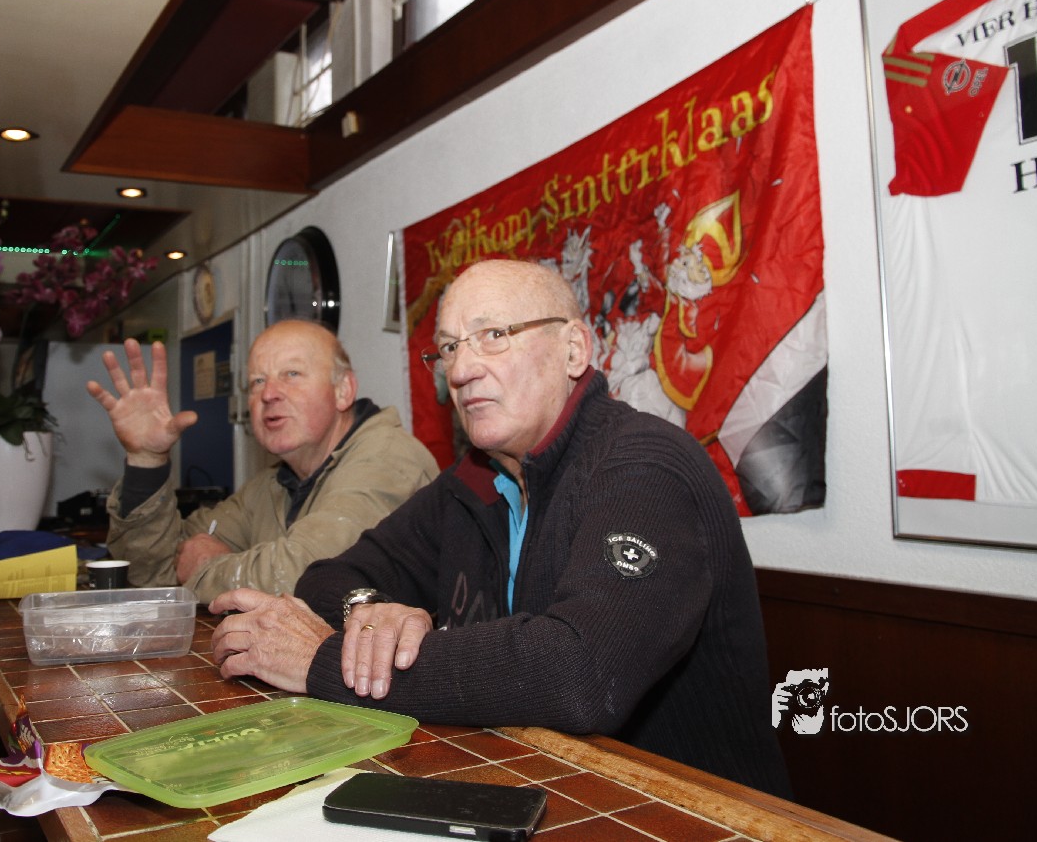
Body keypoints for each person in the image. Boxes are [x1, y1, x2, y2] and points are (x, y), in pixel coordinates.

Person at [209, 260, 792, 797]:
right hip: (538, 787)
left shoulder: (646, 465)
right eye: (448, 348)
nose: (462, 370)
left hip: (698, 815)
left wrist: (328, 661)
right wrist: (371, 615)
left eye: (493, 335)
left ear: (573, 350)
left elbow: (579, 673)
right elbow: (330, 578)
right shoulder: (472, 481)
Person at [87, 321, 439, 602]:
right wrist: (146, 461)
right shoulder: (271, 485)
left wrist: (208, 565)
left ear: (343, 390)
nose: (269, 394)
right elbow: (151, 571)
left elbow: (310, 578)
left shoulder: (390, 459)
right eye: (257, 381)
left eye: (292, 374)